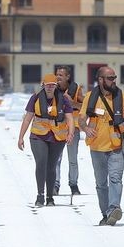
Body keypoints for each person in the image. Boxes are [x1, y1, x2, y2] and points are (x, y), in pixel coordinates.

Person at [80, 66, 124, 226]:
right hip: (96, 148)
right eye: (110, 78)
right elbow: (81, 119)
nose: (114, 80)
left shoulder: (122, 96)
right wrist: (86, 129)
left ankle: (114, 208)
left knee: (115, 178)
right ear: (100, 80)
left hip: (116, 146)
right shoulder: (90, 97)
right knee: (101, 184)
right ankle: (106, 214)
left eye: (114, 77)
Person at [18, 73, 74, 206]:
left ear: (56, 86)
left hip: (57, 137)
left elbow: (70, 117)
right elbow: (28, 118)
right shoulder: (36, 98)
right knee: (41, 163)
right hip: (38, 135)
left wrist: (70, 133)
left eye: (52, 85)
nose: (49, 88)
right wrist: (21, 137)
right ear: (43, 85)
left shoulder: (63, 99)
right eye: (47, 85)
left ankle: (50, 196)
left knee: (51, 166)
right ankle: (40, 195)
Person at [53, 65, 83, 196]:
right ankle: (55, 184)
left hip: (73, 129)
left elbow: (85, 106)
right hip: (57, 128)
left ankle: (73, 184)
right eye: (57, 74)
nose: (58, 77)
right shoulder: (52, 89)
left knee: (72, 158)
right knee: (56, 159)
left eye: (61, 75)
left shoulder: (76, 90)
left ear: (67, 77)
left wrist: (73, 103)